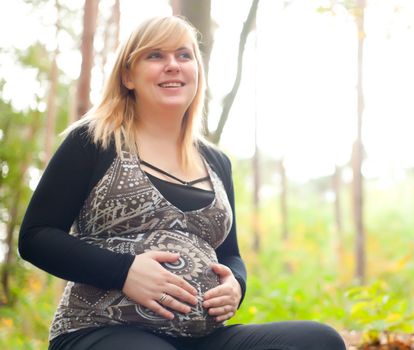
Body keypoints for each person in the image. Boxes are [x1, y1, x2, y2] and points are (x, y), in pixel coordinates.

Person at [18, 15, 346, 350]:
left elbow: (229, 254)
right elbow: (36, 237)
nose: (173, 65)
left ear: (197, 72)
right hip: (102, 330)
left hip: (204, 339)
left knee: (319, 340)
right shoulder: (95, 141)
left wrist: (237, 284)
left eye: (184, 55)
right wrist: (124, 272)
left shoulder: (216, 162)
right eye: (155, 55)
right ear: (128, 76)